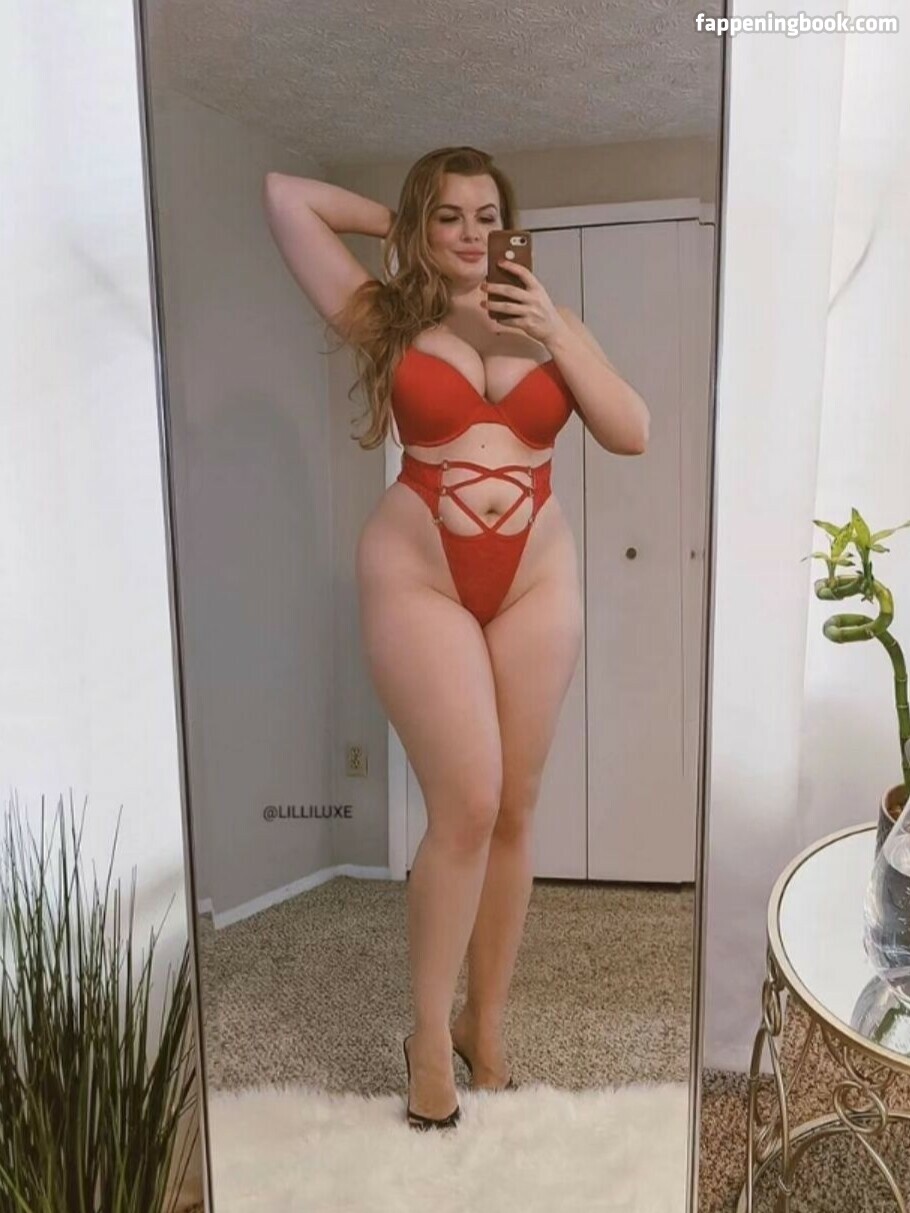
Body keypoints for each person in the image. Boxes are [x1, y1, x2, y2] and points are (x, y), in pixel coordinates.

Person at [263, 146, 649, 1130]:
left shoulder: (551, 321)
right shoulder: (386, 315)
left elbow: (631, 429)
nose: (473, 233)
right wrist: (394, 227)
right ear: (421, 226)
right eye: (448, 216)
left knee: (515, 805)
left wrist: (553, 330)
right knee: (467, 800)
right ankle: (429, 1034)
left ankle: (487, 1018)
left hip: (536, 577)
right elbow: (286, 198)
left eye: (488, 215)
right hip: (418, 571)